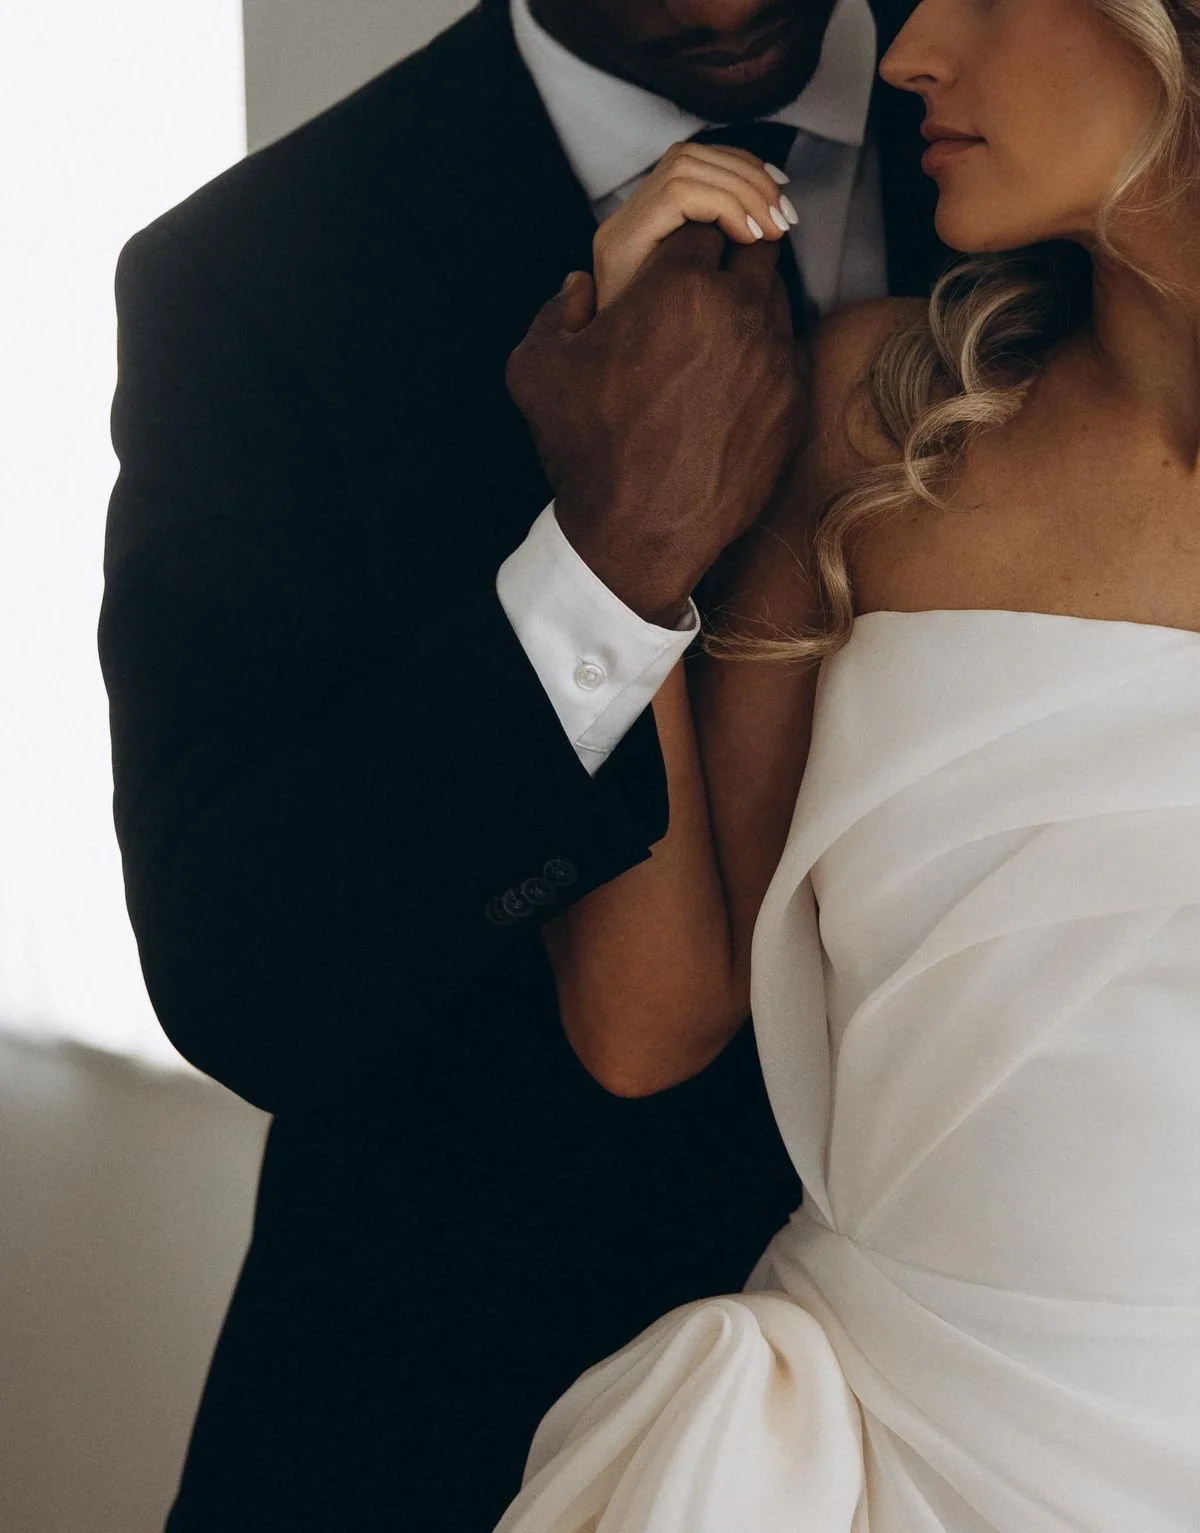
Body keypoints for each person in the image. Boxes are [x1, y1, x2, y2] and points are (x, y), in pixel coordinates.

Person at [99, 1, 948, 1528]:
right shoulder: (253, 276)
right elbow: (246, 973)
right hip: (471, 1410)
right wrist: (609, 560)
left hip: (1032, 1372)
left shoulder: (1056, 123)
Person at [491, 0, 1200, 1525]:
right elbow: (643, 1023)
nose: (906, 50)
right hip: (889, 1453)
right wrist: (621, 514)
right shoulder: (880, 423)